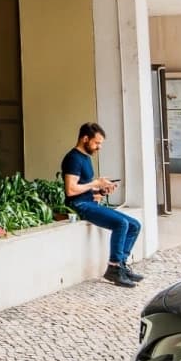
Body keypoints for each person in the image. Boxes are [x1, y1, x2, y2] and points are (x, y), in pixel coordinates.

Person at [62, 122, 144, 287]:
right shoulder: (73, 158)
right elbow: (71, 190)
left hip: (89, 201)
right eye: (97, 143)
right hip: (79, 204)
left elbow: (84, 187)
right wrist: (96, 183)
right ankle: (113, 268)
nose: (99, 147)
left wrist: (101, 190)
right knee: (120, 223)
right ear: (85, 139)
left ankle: (121, 264)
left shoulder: (85, 158)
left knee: (134, 225)